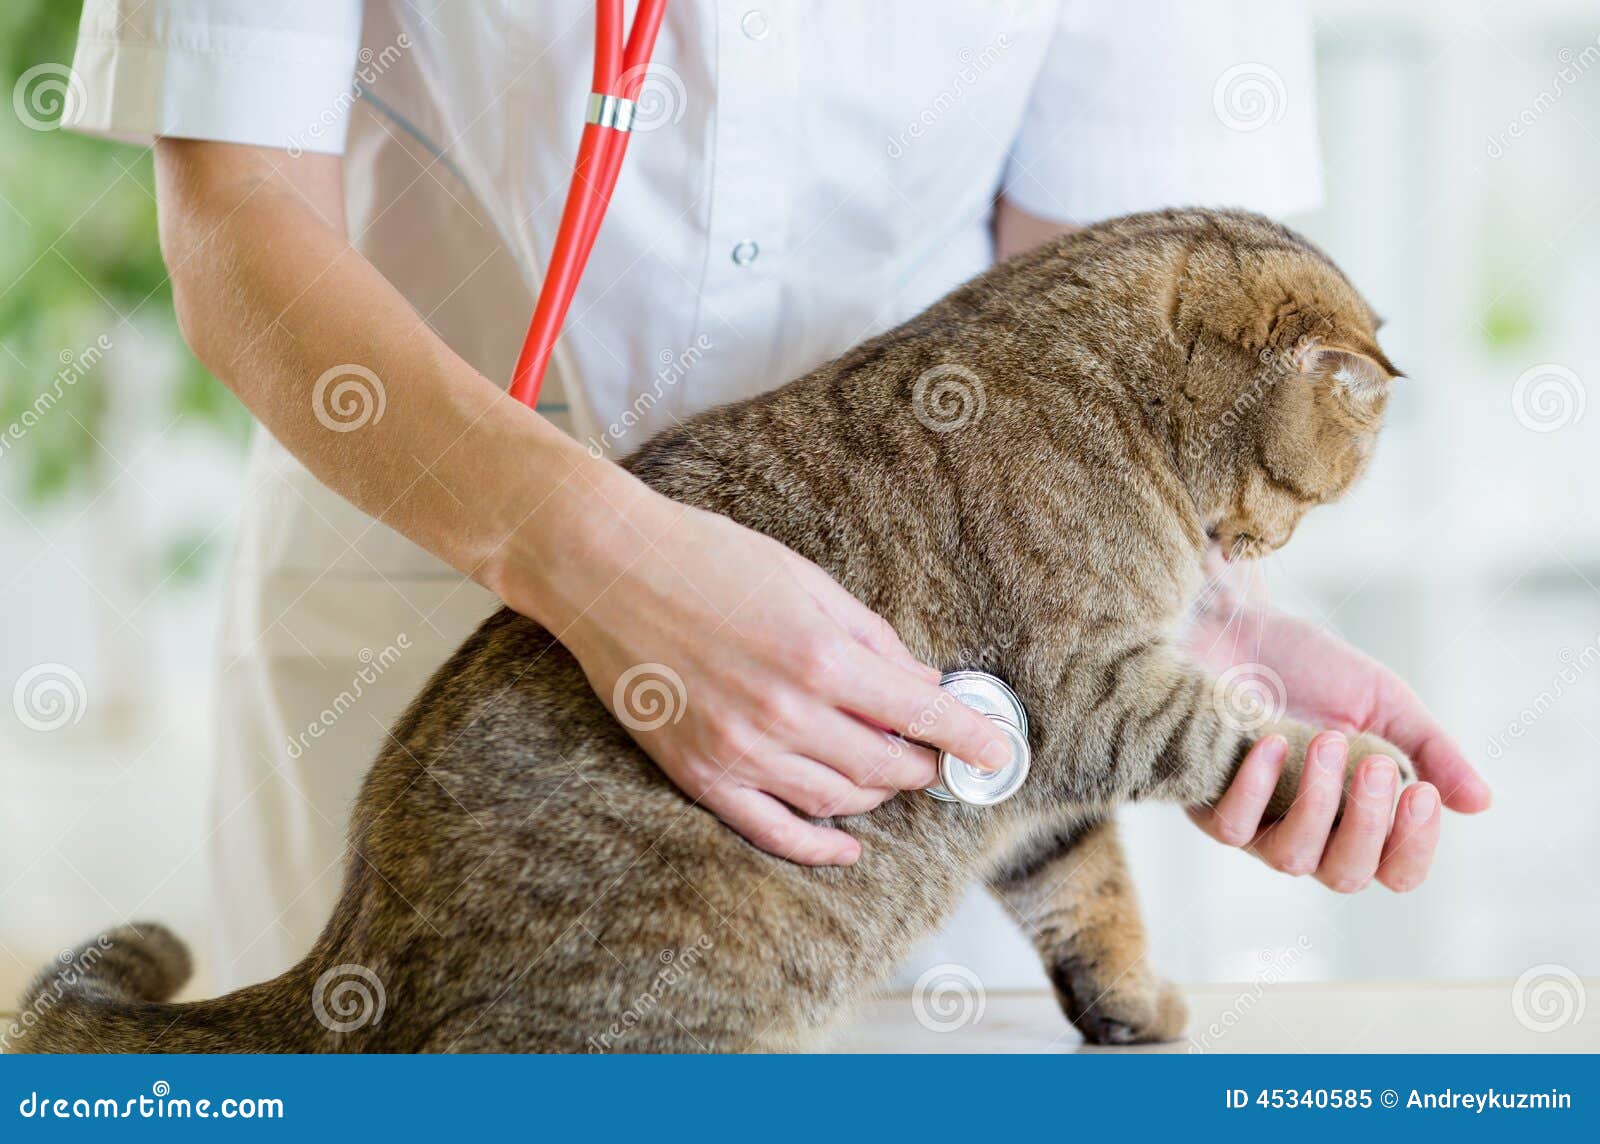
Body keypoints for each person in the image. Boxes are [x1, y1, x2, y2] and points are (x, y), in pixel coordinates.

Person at [67, 0, 1490, 992]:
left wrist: (1197, 622)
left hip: (921, 710)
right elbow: (240, 216)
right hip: (454, 645)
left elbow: (1113, 333)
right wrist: (602, 556)